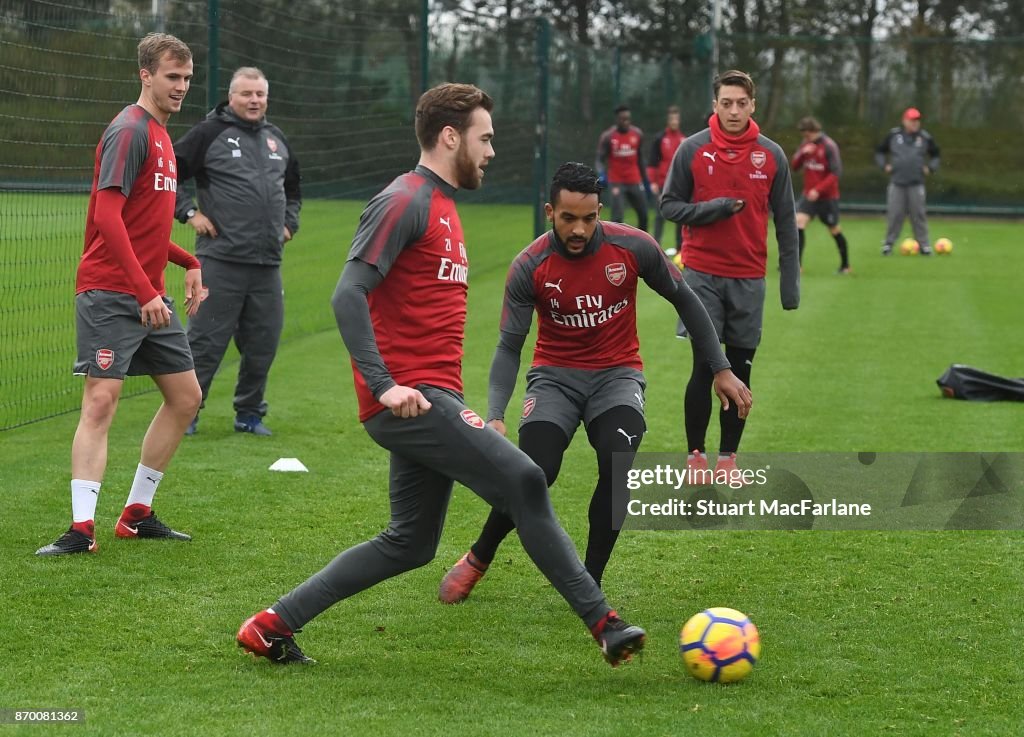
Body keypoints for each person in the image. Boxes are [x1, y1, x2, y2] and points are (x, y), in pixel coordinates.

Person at [236, 84, 646, 667]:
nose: (491, 151)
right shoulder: (405, 200)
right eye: (485, 138)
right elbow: (348, 295)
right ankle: (602, 621)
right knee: (526, 479)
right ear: (450, 137)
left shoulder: (445, 205)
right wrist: (384, 384)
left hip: (430, 396)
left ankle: (272, 623)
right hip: (410, 398)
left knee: (410, 543)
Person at [437, 162, 752, 603]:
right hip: (554, 380)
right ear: (550, 211)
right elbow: (509, 346)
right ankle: (479, 556)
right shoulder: (531, 265)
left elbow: (686, 300)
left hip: (617, 377)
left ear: (600, 210)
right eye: (569, 218)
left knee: (617, 462)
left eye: (589, 217)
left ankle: (589, 581)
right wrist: (494, 415)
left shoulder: (634, 247)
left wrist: (720, 367)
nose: (580, 228)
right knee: (535, 472)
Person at [35, 33, 204, 556]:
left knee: (185, 398)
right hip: (111, 293)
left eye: (186, 79)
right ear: (145, 76)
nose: (180, 87)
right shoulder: (129, 130)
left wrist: (189, 261)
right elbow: (106, 215)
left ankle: (136, 514)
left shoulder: (163, 137)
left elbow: (145, 226)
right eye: (171, 77)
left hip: (146, 293)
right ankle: (80, 530)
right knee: (101, 400)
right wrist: (144, 289)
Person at [659, 69, 799, 475]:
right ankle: (696, 456)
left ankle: (728, 459)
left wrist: (789, 285)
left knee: (741, 369)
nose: (734, 111)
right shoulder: (692, 150)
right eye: (726, 103)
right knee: (704, 365)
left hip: (749, 277)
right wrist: (712, 209)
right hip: (701, 274)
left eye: (741, 103)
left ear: (752, 105)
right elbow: (669, 206)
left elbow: (787, 222)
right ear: (715, 105)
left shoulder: (771, 155)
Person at [173, 67, 302, 436]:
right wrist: (190, 212)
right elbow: (167, 173)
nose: (254, 101)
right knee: (205, 342)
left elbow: (293, 189)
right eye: (247, 94)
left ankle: (249, 415)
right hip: (220, 260)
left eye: (260, 94)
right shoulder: (208, 133)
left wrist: (289, 224)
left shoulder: (276, 139)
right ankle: (187, 413)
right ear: (232, 96)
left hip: (266, 263)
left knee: (263, 343)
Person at [875, 107, 940, 256]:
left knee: (918, 214)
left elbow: (936, 155)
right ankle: (888, 244)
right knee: (895, 214)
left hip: (916, 183)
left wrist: (930, 168)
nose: (914, 123)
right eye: (911, 120)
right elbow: (879, 151)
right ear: (904, 120)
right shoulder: (894, 135)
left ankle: (924, 245)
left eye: (917, 120)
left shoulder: (924, 137)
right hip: (897, 182)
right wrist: (884, 165)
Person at [790, 116, 850, 274]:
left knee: (834, 229)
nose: (805, 137)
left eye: (807, 134)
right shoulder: (805, 145)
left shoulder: (829, 146)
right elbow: (795, 166)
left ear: (814, 131)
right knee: (798, 224)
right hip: (809, 196)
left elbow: (836, 173)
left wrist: (819, 189)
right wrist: (803, 153)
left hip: (827, 197)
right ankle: (797, 266)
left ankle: (845, 266)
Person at [596, 105, 648, 232]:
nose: (626, 122)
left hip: (634, 179)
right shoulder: (608, 137)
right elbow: (599, 159)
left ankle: (643, 243)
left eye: (628, 119)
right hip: (616, 181)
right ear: (617, 120)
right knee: (617, 217)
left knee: (643, 213)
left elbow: (640, 158)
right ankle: (617, 245)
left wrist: (646, 179)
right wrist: (601, 173)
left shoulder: (637, 134)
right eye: (622, 119)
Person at [646, 106, 686, 251]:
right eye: (672, 119)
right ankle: (656, 247)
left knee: (681, 217)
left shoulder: (684, 140)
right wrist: (653, 182)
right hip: (663, 184)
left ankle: (680, 249)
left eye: (677, 119)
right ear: (668, 120)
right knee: (659, 215)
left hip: (680, 184)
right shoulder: (660, 138)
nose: (674, 121)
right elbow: (652, 162)